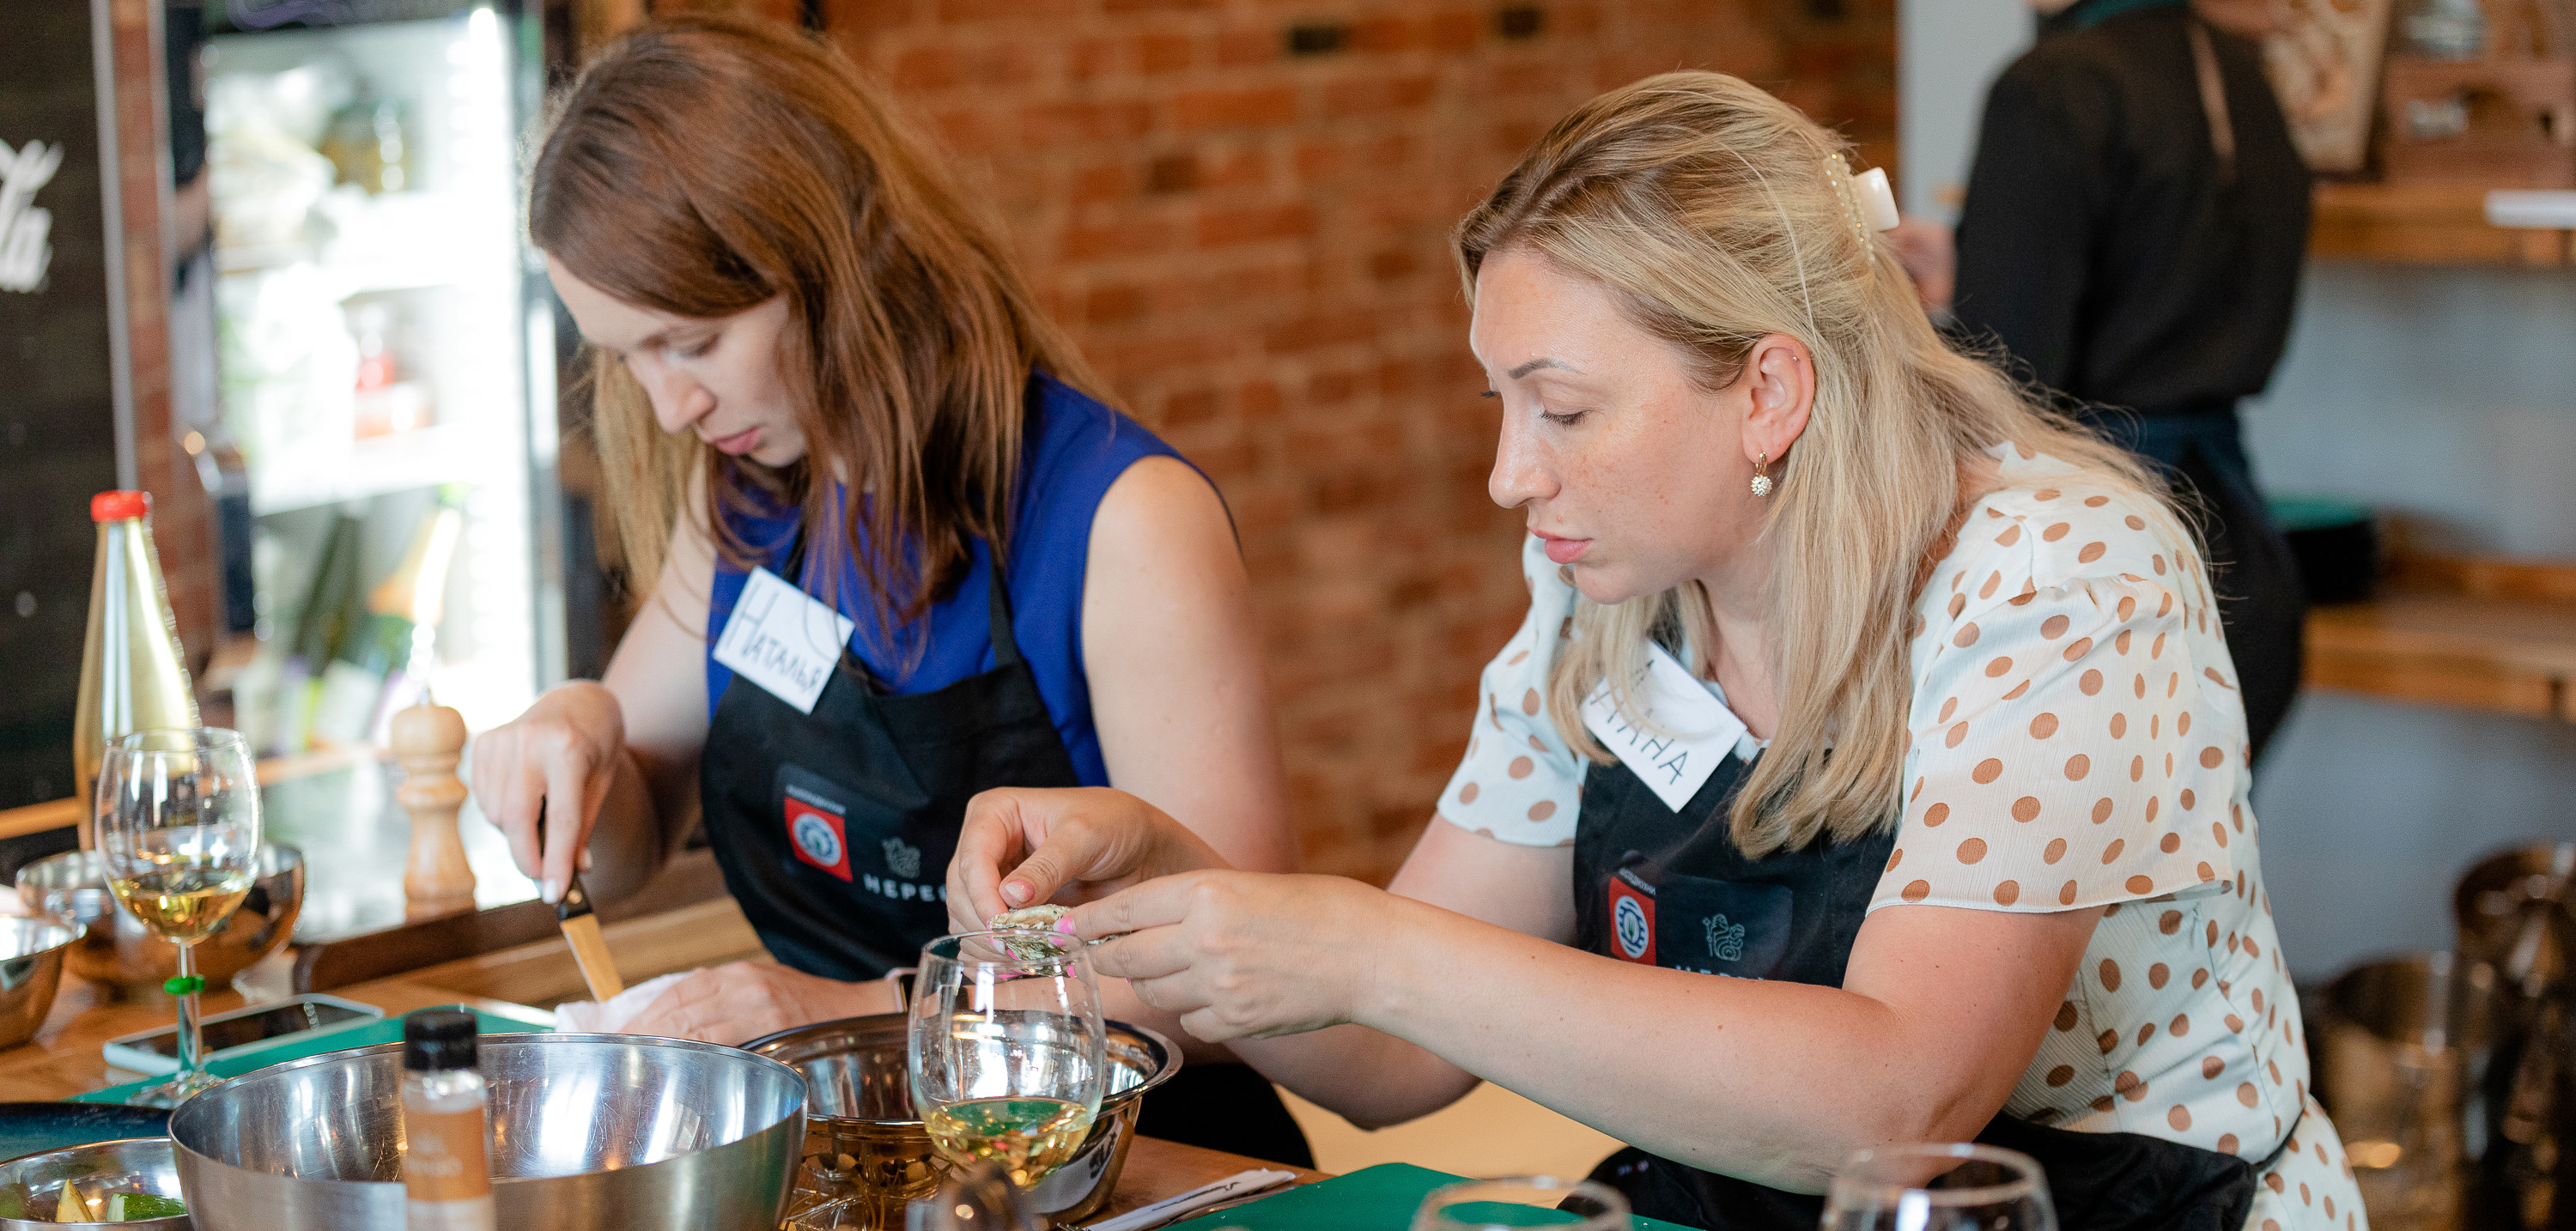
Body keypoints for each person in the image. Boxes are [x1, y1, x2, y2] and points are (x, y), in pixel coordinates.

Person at [950, 73, 2364, 1229]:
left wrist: (1375, 946)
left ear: (1767, 391)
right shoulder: (1608, 596)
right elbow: (1389, 1056)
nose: (1510, 475)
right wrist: (1180, 885)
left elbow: (1903, 1102)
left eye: (1562, 410)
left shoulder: (2059, 577)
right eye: (1503, 406)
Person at [469, 16, 1309, 1164]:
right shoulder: (746, 501)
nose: (670, 409)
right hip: (869, 1155)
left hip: (1125, 1159)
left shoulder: (1123, 518)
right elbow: (626, 843)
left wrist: (858, 1012)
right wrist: (575, 738)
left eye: (693, 344)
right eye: (626, 356)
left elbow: (1242, 976)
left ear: (832, 269)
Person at [1947, 0, 2314, 761]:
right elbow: (2165, 275)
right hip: (2236, 556)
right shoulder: (2243, 74)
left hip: (2094, 573)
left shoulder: (2050, 88)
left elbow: (2006, 375)